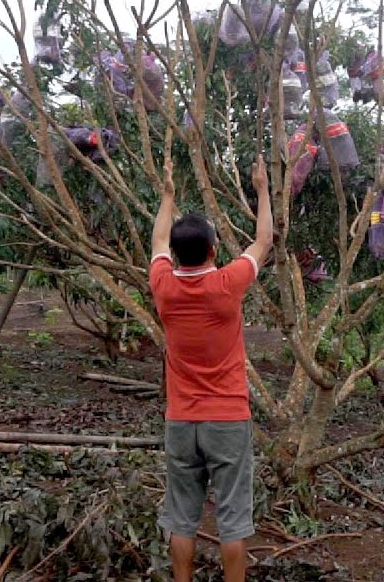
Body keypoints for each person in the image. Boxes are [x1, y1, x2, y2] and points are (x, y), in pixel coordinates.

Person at [149, 154, 272, 582]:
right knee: (233, 521)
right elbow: (263, 241)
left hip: (181, 420)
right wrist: (261, 189)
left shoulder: (163, 286)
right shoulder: (226, 284)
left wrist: (167, 196)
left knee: (181, 519)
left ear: (176, 256)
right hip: (228, 420)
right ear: (214, 250)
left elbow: (157, 240)